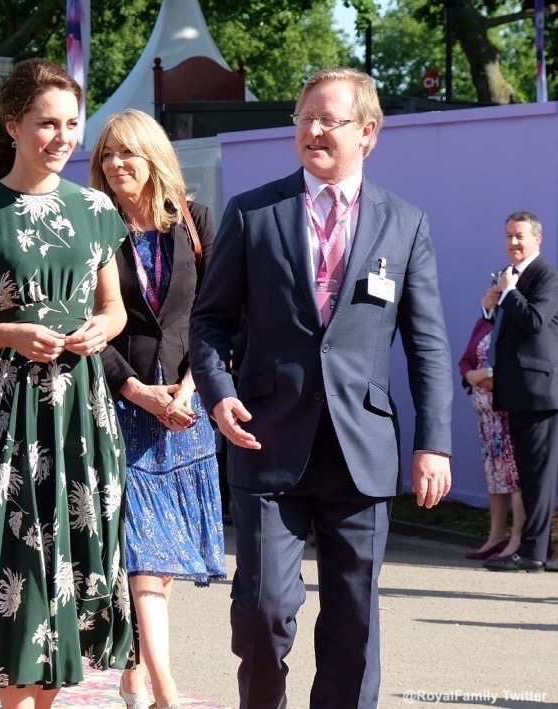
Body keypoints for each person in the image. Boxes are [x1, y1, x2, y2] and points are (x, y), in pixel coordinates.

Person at [188, 67, 453, 709]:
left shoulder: (404, 223)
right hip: (266, 440)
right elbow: (210, 320)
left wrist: (434, 444)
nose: (311, 129)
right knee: (263, 611)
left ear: (367, 132)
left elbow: (427, 343)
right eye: (304, 117)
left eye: (328, 119)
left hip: (362, 450)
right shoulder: (254, 212)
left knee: (354, 623)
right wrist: (218, 390)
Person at [0, 58, 134, 706]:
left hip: (82, 415)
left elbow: (115, 308)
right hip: (8, 416)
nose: (62, 136)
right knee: (19, 576)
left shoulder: (99, 210)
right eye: (47, 123)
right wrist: (8, 334)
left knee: (74, 580)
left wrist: (100, 332)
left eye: (72, 123)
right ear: (12, 124)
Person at [88, 109, 225, 709]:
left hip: (186, 405)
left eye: (128, 154)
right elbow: (87, 324)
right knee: (143, 550)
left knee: (162, 558)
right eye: (108, 155)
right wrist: (138, 391)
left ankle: (137, 670)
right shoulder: (93, 225)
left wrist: (192, 389)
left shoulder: (195, 223)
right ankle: (167, 688)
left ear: (154, 158)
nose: (117, 164)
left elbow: (220, 316)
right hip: (124, 402)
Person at [482, 211, 558, 572]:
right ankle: (533, 550)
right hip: (518, 391)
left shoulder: (546, 275)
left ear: (537, 240)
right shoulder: (511, 276)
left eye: (520, 236)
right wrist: (491, 303)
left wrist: (509, 291)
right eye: (509, 235)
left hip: (539, 392)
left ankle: (533, 552)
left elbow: (535, 321)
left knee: (537, 477)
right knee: (528, 475)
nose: (513, 242)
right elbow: (502, 328)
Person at [458, 311, 523, 561]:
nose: (490, 295)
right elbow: (466, 359)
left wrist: (489, 376)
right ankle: (495, 537)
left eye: (496, 290)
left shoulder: (516, 321)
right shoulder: (484, 323)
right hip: (486, 417)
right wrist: (470, 375)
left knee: (514, 476)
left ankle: (517, 539)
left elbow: (516, 360)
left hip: (508, 412)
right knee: (495, 477)